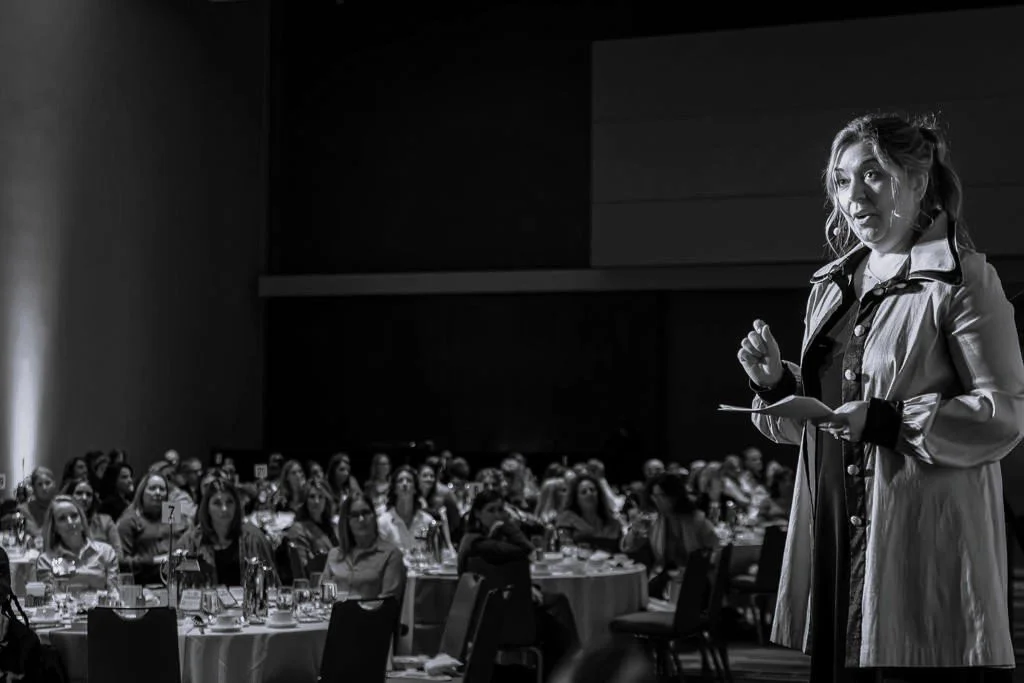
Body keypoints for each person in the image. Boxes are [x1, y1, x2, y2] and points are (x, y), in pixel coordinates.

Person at [736, 113, 1023, 682]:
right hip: (835, 532)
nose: (853, 194)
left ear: (918, 181)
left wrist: (887, 421)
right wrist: (778, 386)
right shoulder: (832, 287)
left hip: (921, 543)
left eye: (874, 174)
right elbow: (827, 418)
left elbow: (1003, 415)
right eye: (841, 180)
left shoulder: (963, 280)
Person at [458, 490, 580, 679]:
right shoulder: (481, 544)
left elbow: (506, 574)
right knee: (557, 627)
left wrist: (528, 588)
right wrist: (509, 527)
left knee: (556, 610)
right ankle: (570, 669)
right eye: (491, 510)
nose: (498, 515)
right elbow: (526, 551)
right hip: (503, 621)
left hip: (493, 616)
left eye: (501, 510)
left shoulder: (477, 541)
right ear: (477, 514)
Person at [620, 472, 719, 588]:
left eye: (661, 496)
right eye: (654, 496)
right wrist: (635, 530)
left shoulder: (696, 520)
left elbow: (716, 550)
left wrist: (696, 569)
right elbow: (628, 547)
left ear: (674, 496)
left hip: (694, 580)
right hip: (663, 579)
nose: (656, 500)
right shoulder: (655, 520)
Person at [179, 479, 274, 588]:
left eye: (229, 502)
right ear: (207, 508)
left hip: (246, 603)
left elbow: (272, 583)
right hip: (206, 603)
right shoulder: (192, 539)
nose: (224, 509)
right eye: (217, 503)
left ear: (236, 506)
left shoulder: (254, 537)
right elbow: (173, 574)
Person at [318, 495, 406, 600]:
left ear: (374, 516)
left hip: (371, 616)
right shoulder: (334, 554)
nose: (361, 519)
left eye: (365, 513)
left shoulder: (391, 555)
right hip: (332, 615)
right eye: (355, 515)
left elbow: (388, 605)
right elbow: (321, 596)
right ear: (347, 521)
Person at [117, 472, 192, 585]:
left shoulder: (171, 511)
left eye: (162, 489)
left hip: (176, 581)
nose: (158, 493)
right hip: (143, 583)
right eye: (152, 488)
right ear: (142, 492)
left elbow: (188, 539)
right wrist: (158, 560)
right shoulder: (129, 519)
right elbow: (122, 562)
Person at [35, 495, 119, 592]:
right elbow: (49, 598)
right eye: (62, 518)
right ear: (55, 528)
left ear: (82, 520)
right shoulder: (46, 560)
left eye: (74, 516)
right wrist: (93, 580)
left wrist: (71, 581)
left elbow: (114, 593)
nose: (70, 522)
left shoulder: (106, 552)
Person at [555, 474, 622, 554]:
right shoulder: (566, 520)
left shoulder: (612, 521)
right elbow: (565, 548)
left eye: (592, 490)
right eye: (584, 492)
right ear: (576, 498)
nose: (589, 493)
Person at [377, 466, 436, 554]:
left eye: (409, 481)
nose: (404, 484)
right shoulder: (383, 522)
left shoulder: (427, 521)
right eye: (400, 481)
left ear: (415, 489)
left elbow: (435, 554)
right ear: (394, 489)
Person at [284, 479, 337, 575]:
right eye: (312, 497)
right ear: (305, 501)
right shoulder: (298, 530)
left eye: (321, 497)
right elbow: (301, 569)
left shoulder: (334, 527)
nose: (316, 501)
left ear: (327, 500)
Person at [66, 479, 123, 560]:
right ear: (69, 496)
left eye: (89, 495)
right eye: (79, 493)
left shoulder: (106, 521)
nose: (84, 498)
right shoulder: (60, 522)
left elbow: (119, 555)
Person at [17, 468, 57, 540]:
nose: (44, 488)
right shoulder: (24, 509)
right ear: (34, 488)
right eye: (39, 484)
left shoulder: (62, 506)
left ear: (54, 484)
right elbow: (36, 534)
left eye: (48, 483)